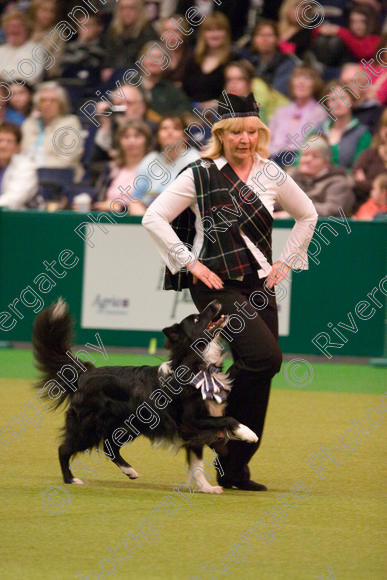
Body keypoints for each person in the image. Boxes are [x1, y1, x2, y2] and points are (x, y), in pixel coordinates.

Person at [142, 93, 318, 491]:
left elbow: (308, 214)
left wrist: (286, 261)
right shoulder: (199, 173)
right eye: (237, 131)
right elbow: (154, 217)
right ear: (221, 133)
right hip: (216, 286)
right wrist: (190, 263)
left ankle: (234, 466)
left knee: (265, 367)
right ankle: (219, 429)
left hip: (260, 284)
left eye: (253, 131)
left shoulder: (271, 173)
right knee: (265, 356)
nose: (245, 139)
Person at [20, 81, 84, 182]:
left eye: (53, 100)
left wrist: (35, 166)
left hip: (58, 176)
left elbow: (67, 160)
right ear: (37, 104)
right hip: (26, 174)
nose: (47, 104)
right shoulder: (29, 123)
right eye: (43, 100)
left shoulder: (70, 123)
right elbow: (22, 153)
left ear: (61, 104)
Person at [133, 115, 200, 210]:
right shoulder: (150, 160)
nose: (170, 132)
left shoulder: (195, 160)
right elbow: (136, 199)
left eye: (176, 128)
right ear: (157, 136)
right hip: (150, 214)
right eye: (164, 128)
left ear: (185, 136)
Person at [93, 119, 153, 214]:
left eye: (137, 136)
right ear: (119, 141)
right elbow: (99, 198)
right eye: (126, 137)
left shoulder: (154, 168)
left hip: (136, 222)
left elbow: (152, 203)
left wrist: (121, 208)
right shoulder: (111, 169)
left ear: (147, 140)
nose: (131, 141)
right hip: (106, 219)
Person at [268, 66, 327, 163]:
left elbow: (311, 144)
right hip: (273, 158)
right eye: (297, 78)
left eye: (307, 78)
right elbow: (268, 140)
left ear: (315, 84)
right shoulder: (280, 111)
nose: (301, 83)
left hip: (300, 160)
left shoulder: (319, 112)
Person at [285, 136, 355, 217]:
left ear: (326, 163)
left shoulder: (338, 182)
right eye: (305, 155)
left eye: (315, 156)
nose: (307, 160)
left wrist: (293, 212)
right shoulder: (292, 178)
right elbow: (274, 201)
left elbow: (332, 210)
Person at [182, 12, 235, 107]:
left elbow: (238, 94)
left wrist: (216, 104)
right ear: (203, 34)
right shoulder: (192, 60)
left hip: (221, 114)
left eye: (219, 29)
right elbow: (184, 91)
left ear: (226, 33)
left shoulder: (233, 60)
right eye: (209, 30)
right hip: (190, 113)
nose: (214, 34)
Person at [319, 80, 372, 171]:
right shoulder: (318, 129)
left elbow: (358, 169)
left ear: (352, 101)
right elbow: (300, 160)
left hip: (344, 181)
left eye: (343, 98)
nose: (338, 103)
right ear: (327, 104)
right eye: (332, 99)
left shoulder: (362, 133)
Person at [0, 122, 38, 209]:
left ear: (17, 147)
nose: (3, 146)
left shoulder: (27, 166)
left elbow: (14, 199)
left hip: (17, 218)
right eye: (0, 140)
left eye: (9, 141)